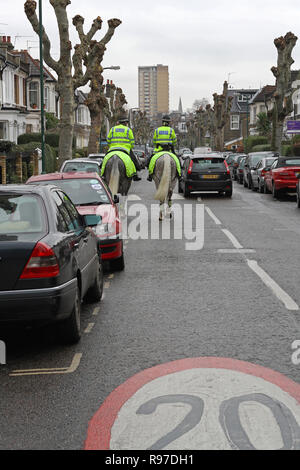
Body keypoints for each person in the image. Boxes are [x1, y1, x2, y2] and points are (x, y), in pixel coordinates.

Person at [106, 117, 141, 181]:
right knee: (133, 160)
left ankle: (102, 172)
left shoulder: (113, 129)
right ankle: (135, 175)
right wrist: (130, 147)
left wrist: (112, 146)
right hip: (125, 149)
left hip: (113, 149)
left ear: (119, 123)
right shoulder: (128, 130)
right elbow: (132, 142)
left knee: (105, 159)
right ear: (125, 123)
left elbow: (108, 140)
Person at [147, 115, 180, 181]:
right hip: (169, 150)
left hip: (158, 150)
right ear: (169, 122)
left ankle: (150, 175)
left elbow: (154, 141)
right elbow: (174, 141)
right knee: (178, 161)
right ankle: (179, 175)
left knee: (150, 161)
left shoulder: (157, 130)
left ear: (162, 122)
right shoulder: (171, 130)